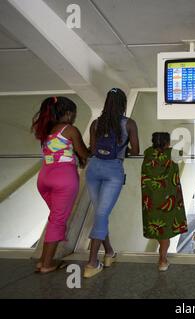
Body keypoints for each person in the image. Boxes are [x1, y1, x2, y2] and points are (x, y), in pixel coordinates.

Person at [84, 88, 140, 279]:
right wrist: (121, 149)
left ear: (107, 102)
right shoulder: (129, 124)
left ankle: (109, 253)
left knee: (101, 213)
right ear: (123, 104)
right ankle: (91, 263)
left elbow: (91, 148)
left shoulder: (96, 123)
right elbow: (136, 150)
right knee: (101, 214)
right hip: (113, 171)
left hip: (93, 170)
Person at [32, 96, 89, 273]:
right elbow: (84, 153)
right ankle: (47, 265)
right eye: (74, 114)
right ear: (68, 113)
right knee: (58, 220)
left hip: (44, 177)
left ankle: (43, 261)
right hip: (64, 178)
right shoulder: (69, 129)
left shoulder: (46, 131)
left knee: (54, 218)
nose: (74, 117)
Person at [142, 132, 188, 271]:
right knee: (165, 229)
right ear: (167, 143)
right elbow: (182, 154)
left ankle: (162, 258)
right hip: (168, 198)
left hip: (150, 197)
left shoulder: (148, 152)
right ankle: (162, 260)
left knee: (156, 226)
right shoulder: (172, 153)